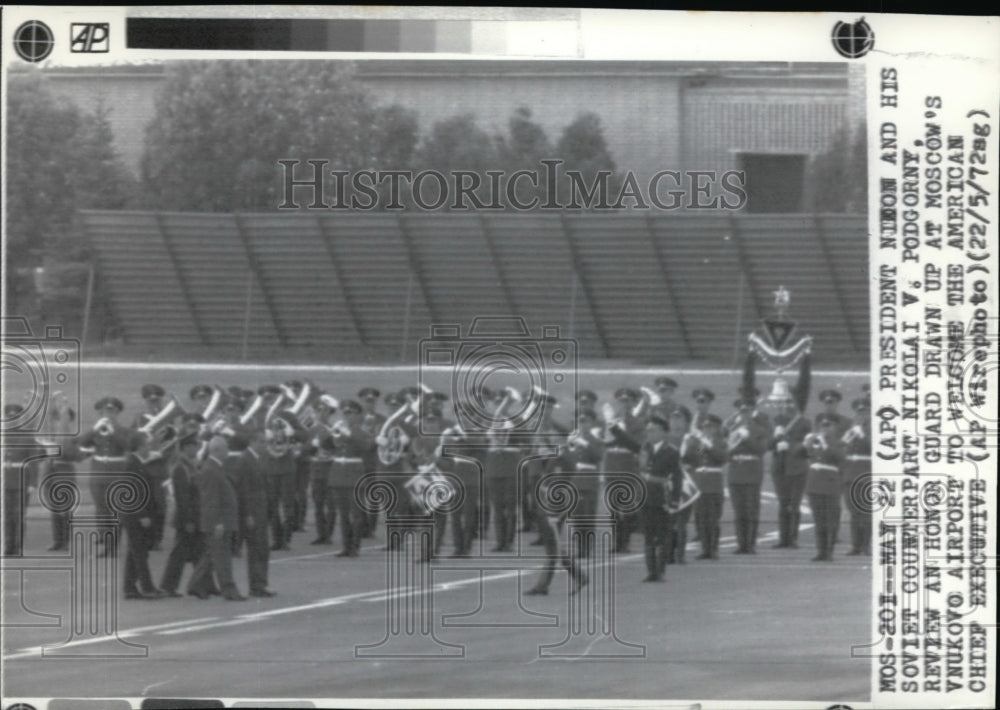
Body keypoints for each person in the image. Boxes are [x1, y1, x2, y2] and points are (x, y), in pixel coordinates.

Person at [76, 396, 143, 557]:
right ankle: (106, 545)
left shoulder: (125, 431)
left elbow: (130, 446)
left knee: (116, 511)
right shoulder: (97, 430)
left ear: (117, 413)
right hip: (98, 474)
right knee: (101, 510)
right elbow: (81, 443)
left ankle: (113, 546)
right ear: (100, 413)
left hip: (116, 474)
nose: (108, 414)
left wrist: (113, 433)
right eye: (105, 411)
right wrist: (94, 429)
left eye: (111, 411)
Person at [188, 436, 245, 600]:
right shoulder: (210, 470)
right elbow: (210, 500)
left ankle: (194, 584)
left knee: (211, 555)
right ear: (217, 450)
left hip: (222, 520)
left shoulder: (216, 467)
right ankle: (229, 589)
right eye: (226, 448)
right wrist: (217, 522)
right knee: (222, 557)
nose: (228, 451)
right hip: (218, 522)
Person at [638, 415, 683, 582]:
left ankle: (661, 570)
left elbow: (677, 477)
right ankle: (651, 571)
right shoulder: (645, 449)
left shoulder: (671, 451)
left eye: (653, 430)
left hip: (662, 497)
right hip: (646, 497)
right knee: (649, 536)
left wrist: (674, 501)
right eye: (648, 430)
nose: (650, 433)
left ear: (663, 433)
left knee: (662, 536)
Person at [159, 432, 204, 597]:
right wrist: (189, 520)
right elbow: (182, 497)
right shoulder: (181, 467)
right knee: (180, 553)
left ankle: (202, 584)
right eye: (194, 446)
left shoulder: (190, 465)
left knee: (198, 551)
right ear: (186, 448)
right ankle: (168, 585)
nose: (197, 449)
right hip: (186, 517)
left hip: (191, 515)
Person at [602, 388, 647, 553]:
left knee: (626, 506)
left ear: (634, 403)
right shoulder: (611, 420)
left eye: (627, 401)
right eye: (621, 401)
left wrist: (616, 429)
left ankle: (625, 541)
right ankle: (616, 541)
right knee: (613, 508)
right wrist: (610, 426)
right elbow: (605, 443)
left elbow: (635, 446)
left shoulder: (637, 423)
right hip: (612, 466)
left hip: (627, 466)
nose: (624, 404)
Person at [230, 432, 275, 597]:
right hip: (253, 511)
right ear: (253, 441)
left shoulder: (258, 458)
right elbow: (243, 490)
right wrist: (247, 514)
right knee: (256, 548)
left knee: (262, 548)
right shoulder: (244, 460)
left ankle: (262, 582)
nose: (265, 445)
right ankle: (257, 585)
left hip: (261, 510)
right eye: (262, 442)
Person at [329, 400, 375, 557]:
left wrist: (349, 435)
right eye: (345, 413)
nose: (347, 416)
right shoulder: (339, 429)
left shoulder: (361, 432)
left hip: (354, 475)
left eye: (350, 414)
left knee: (356, 514)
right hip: (338, 475)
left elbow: (366, 447)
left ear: (357, 415)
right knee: (343, 515)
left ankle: (355, 547)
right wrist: (330, 434)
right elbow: (328, 446)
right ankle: (346, 547)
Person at [725, 396, 769, 554]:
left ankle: (750, 544)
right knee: (739, 511)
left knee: (751, 510)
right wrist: (736, 437)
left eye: (747, 411)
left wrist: (747, 438)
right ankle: (741, 544)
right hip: (736, 472)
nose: (744, 414)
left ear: (752, 412)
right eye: (741, 411)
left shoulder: (759, 429)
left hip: (752, 473)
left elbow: (761, 450)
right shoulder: (732, 429)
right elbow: (726, 452)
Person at [770, 399, 812, 549]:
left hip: (797, 468)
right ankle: (783, 538)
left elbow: (807, 446)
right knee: (782, 504)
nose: (787, 406)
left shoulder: (804, 422)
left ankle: (792, 538)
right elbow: (769, 445)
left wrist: (790, 445)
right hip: (779, 467)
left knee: (794, 504)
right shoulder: (777, 421)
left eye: (790, 403)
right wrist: (776, 438)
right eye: (785, 403)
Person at [805, 415, 846, 562]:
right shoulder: (815, 442)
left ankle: (829, 551)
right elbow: (802, 455)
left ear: (834, 427)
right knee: (819, 520)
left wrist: (825, 445)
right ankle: (821, 551)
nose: (824, 429)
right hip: (815, 483)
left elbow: (840, 457)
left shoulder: (839, 443)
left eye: (828, 425)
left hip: (830, 484)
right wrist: (807, 444)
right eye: (822, 426)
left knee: (830, 520)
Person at [3, 404, 41, 557]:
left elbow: (33, 461)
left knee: (18, 516)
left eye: (15, 416)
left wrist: (33, 483)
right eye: (9, 416)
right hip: (5, 481)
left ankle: (18, 548)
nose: (12, 419)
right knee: (6, 516)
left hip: (21, 481)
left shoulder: (28, 437)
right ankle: (8, 546)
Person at [690, 414, 727, 559]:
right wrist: (697, 445)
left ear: (716, 429)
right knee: (701, 519)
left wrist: (710, 447)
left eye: (709, 427)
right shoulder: (699, 443)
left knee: (712, 519)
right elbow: (693, 458)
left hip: (713, 484)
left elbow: (722, 458)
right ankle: (705, 549)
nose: (706, 430)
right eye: (704, 427)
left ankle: (713, 549)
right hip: (700, 484)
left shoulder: (720, 442)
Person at [842, 396, 872, 556]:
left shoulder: (875, 428)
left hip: (866, 473)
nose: (861, 415)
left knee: (866, 511)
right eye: (859, 412)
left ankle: (866, 546)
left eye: (865, 412)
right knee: (853, 511)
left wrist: (862, 435)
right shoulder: (852, 429)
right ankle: (856, 546)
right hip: (850, 474)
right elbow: (841, 448)